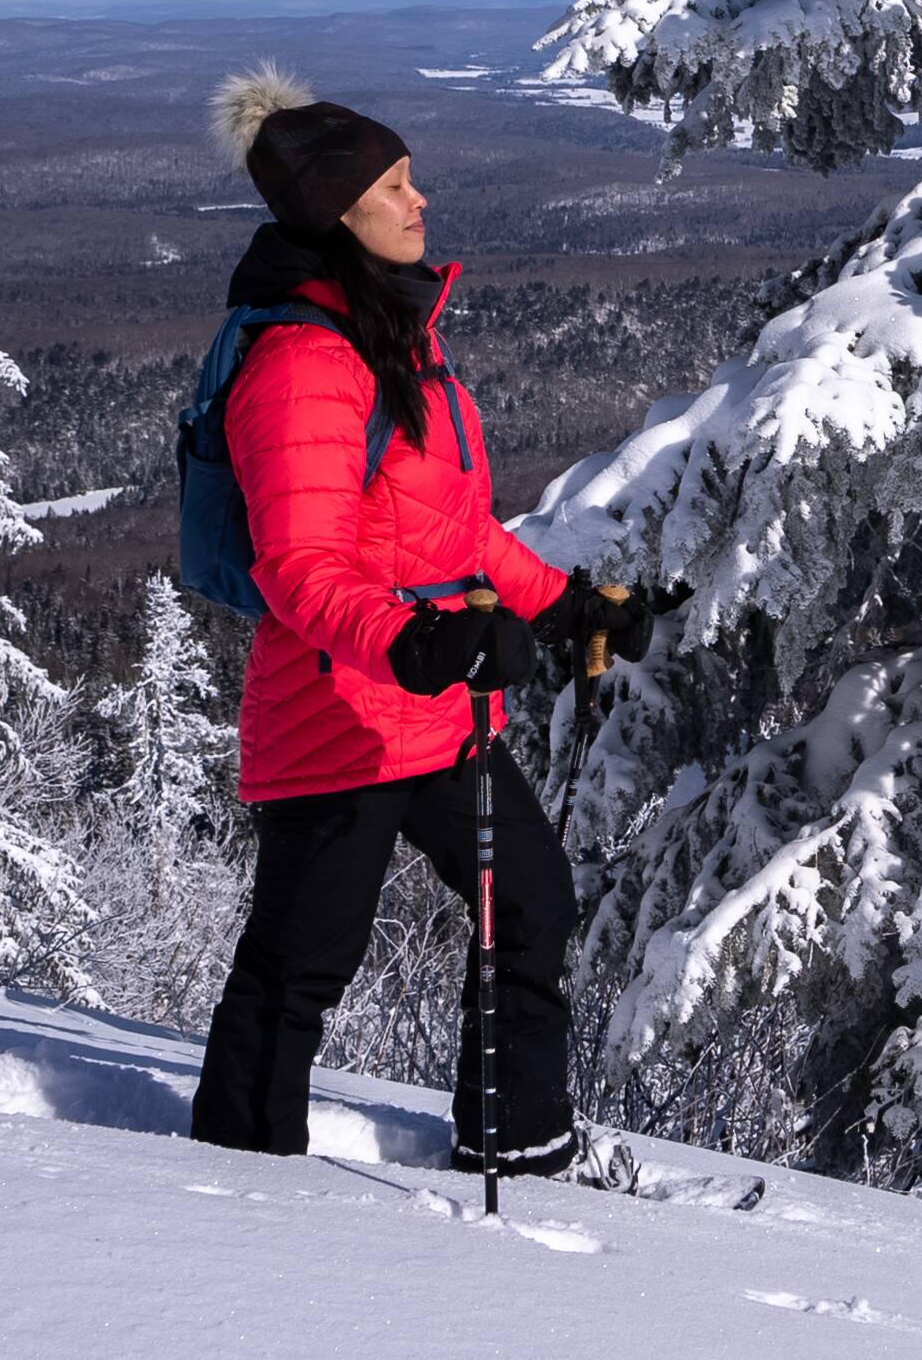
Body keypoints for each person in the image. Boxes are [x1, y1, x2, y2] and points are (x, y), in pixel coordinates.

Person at [183, 68, 652, 1172]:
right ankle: (228, 1177)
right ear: (336, 212)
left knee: (532, 898)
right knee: (304, 963)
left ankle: (519, 1141)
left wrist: (569, 604)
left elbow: (461, 531)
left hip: (433, 712)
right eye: (396, 183)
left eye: (412, 177)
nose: (419, 198)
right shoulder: (301, 361)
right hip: (333, 712)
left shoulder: (397, 342)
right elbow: (297, 566)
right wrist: (414, 640)